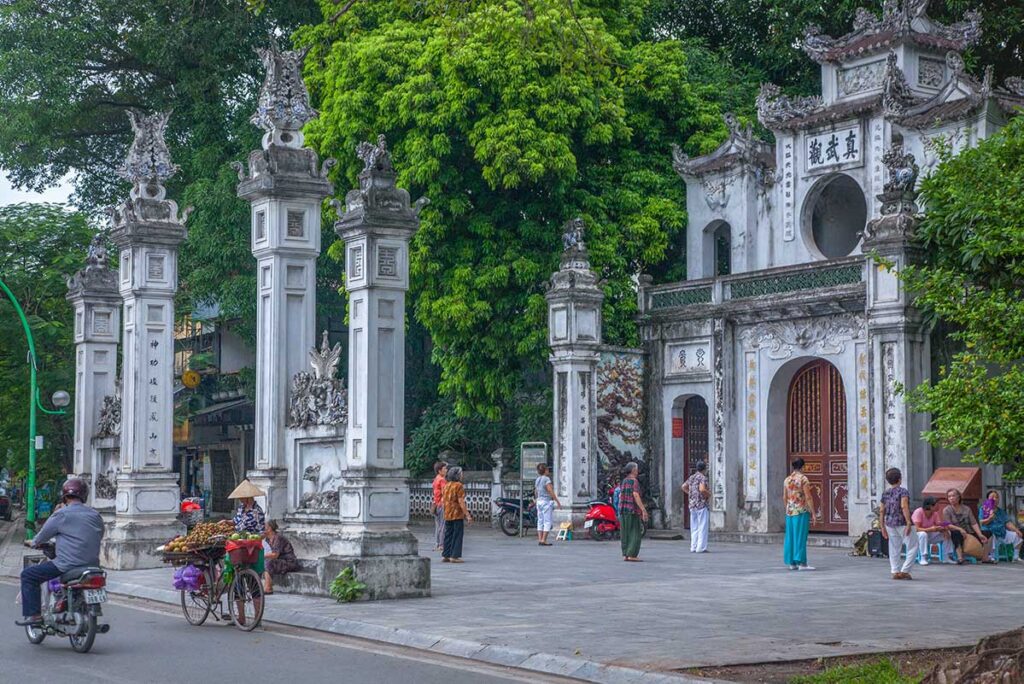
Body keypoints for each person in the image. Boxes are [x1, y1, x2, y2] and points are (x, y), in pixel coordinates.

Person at [17, 479, 104, 626]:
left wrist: (34, 542)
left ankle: (34, 616)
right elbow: (99, 534)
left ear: (64, 496)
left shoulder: (62, 514)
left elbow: (42, 535)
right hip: (93, 565)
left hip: (66, 565)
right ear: (84, 495)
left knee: (28, 575)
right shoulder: (95, 515)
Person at [879, 467, 917, 580]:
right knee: (913, 546)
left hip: (889, 522)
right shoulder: (903, 491)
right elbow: (904, 506)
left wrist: (882, 526)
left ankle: (895, 570)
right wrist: (909, 522)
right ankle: (905, 570)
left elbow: (881, 510)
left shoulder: (885, 493)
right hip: (902, 521)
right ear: (900, 479)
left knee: (894, 547)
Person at [783, 458, 820, 571]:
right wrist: (813, 513)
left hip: (790, 511)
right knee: (800, 536)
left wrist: (788, 508)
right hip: (801, 511)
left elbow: (784, 497)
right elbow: (808, 497)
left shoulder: (787, 480)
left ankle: (792, 563)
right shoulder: (803, 479)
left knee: (791, 537)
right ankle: (802, 563)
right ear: (802, 467)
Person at [942, 488, 993, 564]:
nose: (951, 498)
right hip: (957, 532)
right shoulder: (946, 510)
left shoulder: (967, 509)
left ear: (958, 497)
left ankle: (985, 557)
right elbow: (948, 524)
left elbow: (974, 523)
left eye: (953, 496)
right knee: (955, 533)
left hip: (969, 532)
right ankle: (960, 558)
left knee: (988, 533)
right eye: (949, 496)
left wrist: (979, 534)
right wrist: (960, 529)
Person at [979, 490, 1022, 561]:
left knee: (1017, 535)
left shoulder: (1001, 511)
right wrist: (989, 518)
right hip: (990, 532)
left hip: (1002, 532)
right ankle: (990, 555)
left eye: (997, 497)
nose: (995, 499)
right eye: (992, 497)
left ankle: (1016, 556)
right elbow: (981, 522)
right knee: (990, 535)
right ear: (987, 499)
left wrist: (1016, 530)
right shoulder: (983, 509)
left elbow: (1007, 523)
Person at [442, 466, 471, 563]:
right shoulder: (459, 485)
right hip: (456, 513)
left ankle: (446, 554)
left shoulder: (447, 485)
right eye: (461, 473)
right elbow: (461, 502)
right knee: (457, 534)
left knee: (448, 534)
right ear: (457, 475)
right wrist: (467, 514)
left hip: (447, 513)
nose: (462, 475)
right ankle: (454, 556)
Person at [619, 462, 648, 562]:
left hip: (623, 510)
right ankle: (632, 554)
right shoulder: (634, 481)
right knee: (635, 532)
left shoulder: (624, 481)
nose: (637, 470)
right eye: (636, 469)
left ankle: (626, 554)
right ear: (633, 470)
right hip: (632, 510)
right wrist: (643, 509)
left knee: (625, 532)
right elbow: (635, 495)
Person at [262, 520, 299, 594]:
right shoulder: (267, 539)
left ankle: (268, 588)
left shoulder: (278, 538)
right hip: (279, 561)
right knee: (262, 562)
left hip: (289, 562)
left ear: (269, 528)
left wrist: (262, 556)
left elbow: (275, 555)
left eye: (264, 527)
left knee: (268, 562)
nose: (262, 528)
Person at [912, 496, 951, 565]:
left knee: (948, 533)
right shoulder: (919, 512)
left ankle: (946, 557)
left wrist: (943, 529)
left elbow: (938, 524)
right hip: (916, 536)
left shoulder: (935, 514)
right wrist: (930, 529)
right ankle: (923, 557)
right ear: (930, 506)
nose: (938, 506)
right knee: (923, 534)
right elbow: (916, 529)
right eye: (937, 504)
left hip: (929, 535)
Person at [681, 461, 710, 553]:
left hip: (692, 504)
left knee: (694, 526)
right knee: (702, 526)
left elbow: (683, 486)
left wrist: (691, 494)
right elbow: (702, 489)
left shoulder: (692, 477)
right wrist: (708, 494)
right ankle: (701, 547)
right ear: (704, 469)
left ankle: (693, 546)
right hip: (701, 504)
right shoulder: (702, 477)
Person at [535, 463, 562, 546]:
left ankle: (540, 539)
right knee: (547, 521)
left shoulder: (538, 479)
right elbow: (550, 491)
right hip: (546, 502)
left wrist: (536, 499)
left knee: (540, 521)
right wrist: (557, 501)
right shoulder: (546, 479)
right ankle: (544, 539)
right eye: (547, 469)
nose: (548, 471)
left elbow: (536, 491)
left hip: (539, 501)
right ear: (545, 470)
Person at [431, 461, 448, 551]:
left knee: (438, 525)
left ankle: (438, 543)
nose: (446, 470)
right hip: (442, 504)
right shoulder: (442, 480)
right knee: (443, 525)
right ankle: (441, 544)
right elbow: (445, 493)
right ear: (439, 470)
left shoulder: (436, 479)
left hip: (436, 504)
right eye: (445, 469)